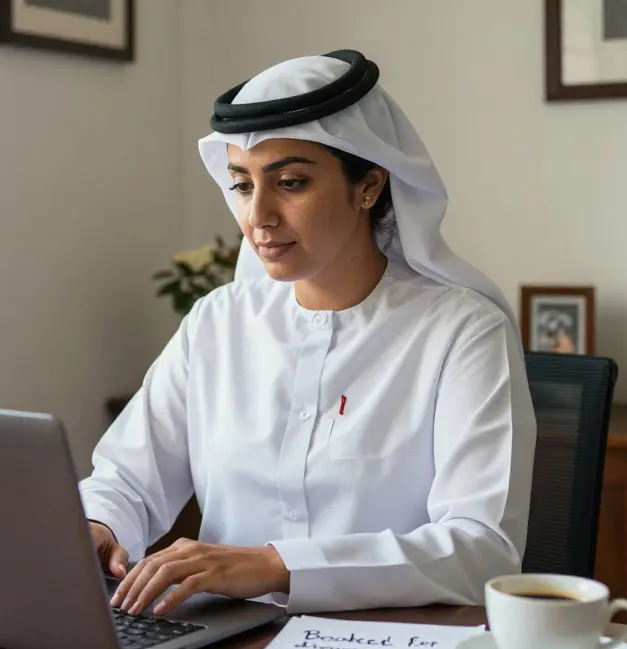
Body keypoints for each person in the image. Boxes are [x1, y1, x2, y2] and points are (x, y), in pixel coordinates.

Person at [78, 50, 536, 616]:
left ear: (369, 185)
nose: (258, 217)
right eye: (243, 186)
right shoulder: (217, 323)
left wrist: (277, 566)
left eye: (290, 183)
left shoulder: (462, 333)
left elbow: (480, 548)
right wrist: (99, 524)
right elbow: (126, 478)